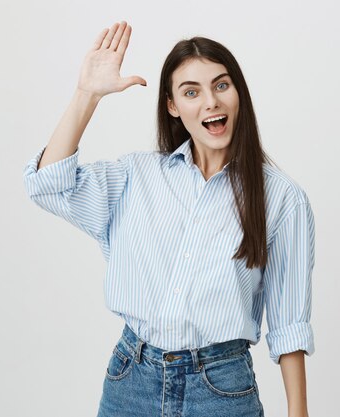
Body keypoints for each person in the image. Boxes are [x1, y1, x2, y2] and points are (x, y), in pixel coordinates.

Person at [23, 20, 314, 417]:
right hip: (131, 382)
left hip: (221, 390)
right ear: (173, 106)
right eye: (191, 92)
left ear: (238, 95)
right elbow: (48, 184)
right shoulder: (136, 177)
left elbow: (289, 326)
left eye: (221, 85)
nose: (210, 101)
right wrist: (86, 95)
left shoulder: (282, 198)